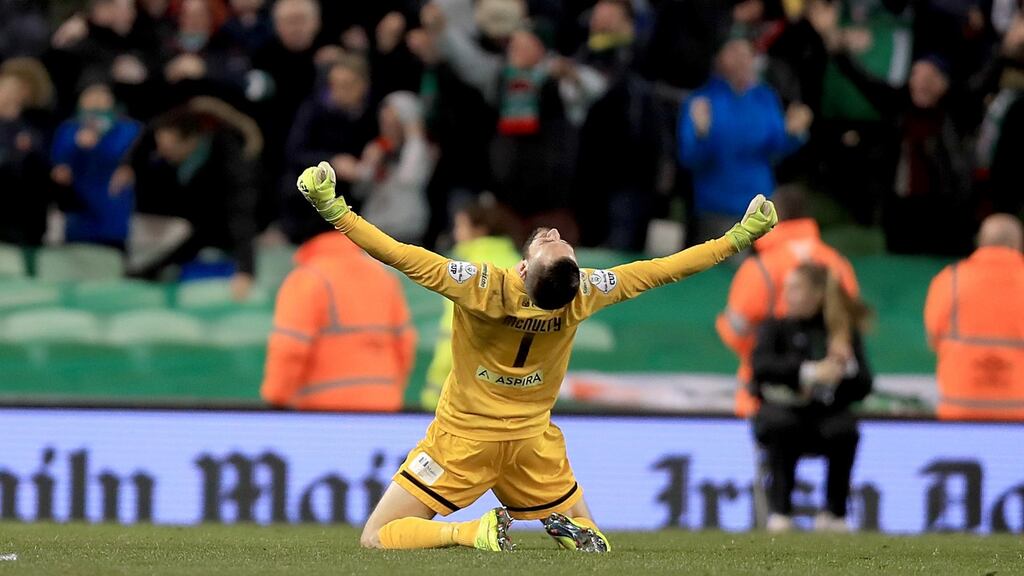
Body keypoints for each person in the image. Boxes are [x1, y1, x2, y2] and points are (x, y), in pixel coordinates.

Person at [296, 159, 778, 552]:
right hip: (532, 443)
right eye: (559, 244)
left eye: (556, 244)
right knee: (591, 538)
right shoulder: (585, 292)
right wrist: (737, 239)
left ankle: (469, 532)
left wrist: (334, 210)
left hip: (463, 440)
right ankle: (570, 531)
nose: (554, 236)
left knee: (377, 536)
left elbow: (397, 253)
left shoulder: (481, 286)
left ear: (524, 267)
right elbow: (662, 270)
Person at [717, 187, 859, 417]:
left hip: (765, 397)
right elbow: (850, 325)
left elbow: (735, 331)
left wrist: (766, 352)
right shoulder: (837, 264)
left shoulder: (759, 267)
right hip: (828, 400)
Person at [751, 263, 873, 533]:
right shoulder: (776, 328)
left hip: (825, 416)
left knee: (844, 430)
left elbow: (864, 385)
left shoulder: (840, 332)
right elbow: (760, 370)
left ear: (817, 294)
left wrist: (845, 366)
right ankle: (780, 513)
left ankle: (835, 513)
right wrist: (809, 372)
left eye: (795, 289)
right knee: (781, 426)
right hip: (784, 413)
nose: (787, 295)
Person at [261, 226, 416, 411]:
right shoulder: (383, 277)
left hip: (324, 413)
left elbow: (289, 347)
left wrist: (276, 399)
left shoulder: (307, 279)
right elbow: (405, 343)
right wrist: (387, 391)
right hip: (384, 407)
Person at [678, 35, 812, 243]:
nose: (741, 60)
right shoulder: (703, 101)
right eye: (734, 53)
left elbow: (776, 147)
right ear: (719, 58)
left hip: (759, 205)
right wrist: (701, 134)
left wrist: (793, 133)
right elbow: (690, 158)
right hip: (717, 208)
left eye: (746, 53)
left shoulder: (765, 98)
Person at [422, 198, 521, 409]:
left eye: (460, 226)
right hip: (509, 392)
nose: (456, 233)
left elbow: (455, 332)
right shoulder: (519, 265)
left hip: (464, 394)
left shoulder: (466, 270)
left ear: (479, 230)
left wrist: (436, 390)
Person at [924, 214, 1024, 420]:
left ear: (981, 242)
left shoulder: (949, 280)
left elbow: (933, 337)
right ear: (1017, 244)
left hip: (959, 409)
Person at [282, 55, 376, 244]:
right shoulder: (314, 110)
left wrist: (378, 148)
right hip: (313, 203)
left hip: (360, 199)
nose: (338, 92)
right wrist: (332, 161)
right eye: (334, 85)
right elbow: (294, 153)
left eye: (347, 85)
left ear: (363, 86)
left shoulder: (373, 112)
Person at [334, 91, 434, 245]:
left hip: (406, 231)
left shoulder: (419, 150)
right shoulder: (377, 148)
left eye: (394, 123)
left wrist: (414, 134)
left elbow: (411, 178)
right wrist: (368, 166)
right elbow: (359, 191)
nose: (387, 128)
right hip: (375, 230)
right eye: (384, 122)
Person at [50, 83, 141, 249]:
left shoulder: (129, 129)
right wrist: (77, 145)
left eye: (101, 99)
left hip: (112, 217)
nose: (96, 104)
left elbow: (133, 160)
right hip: (77, 219)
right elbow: (58, 166)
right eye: (90, 99)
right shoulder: (68, 130)